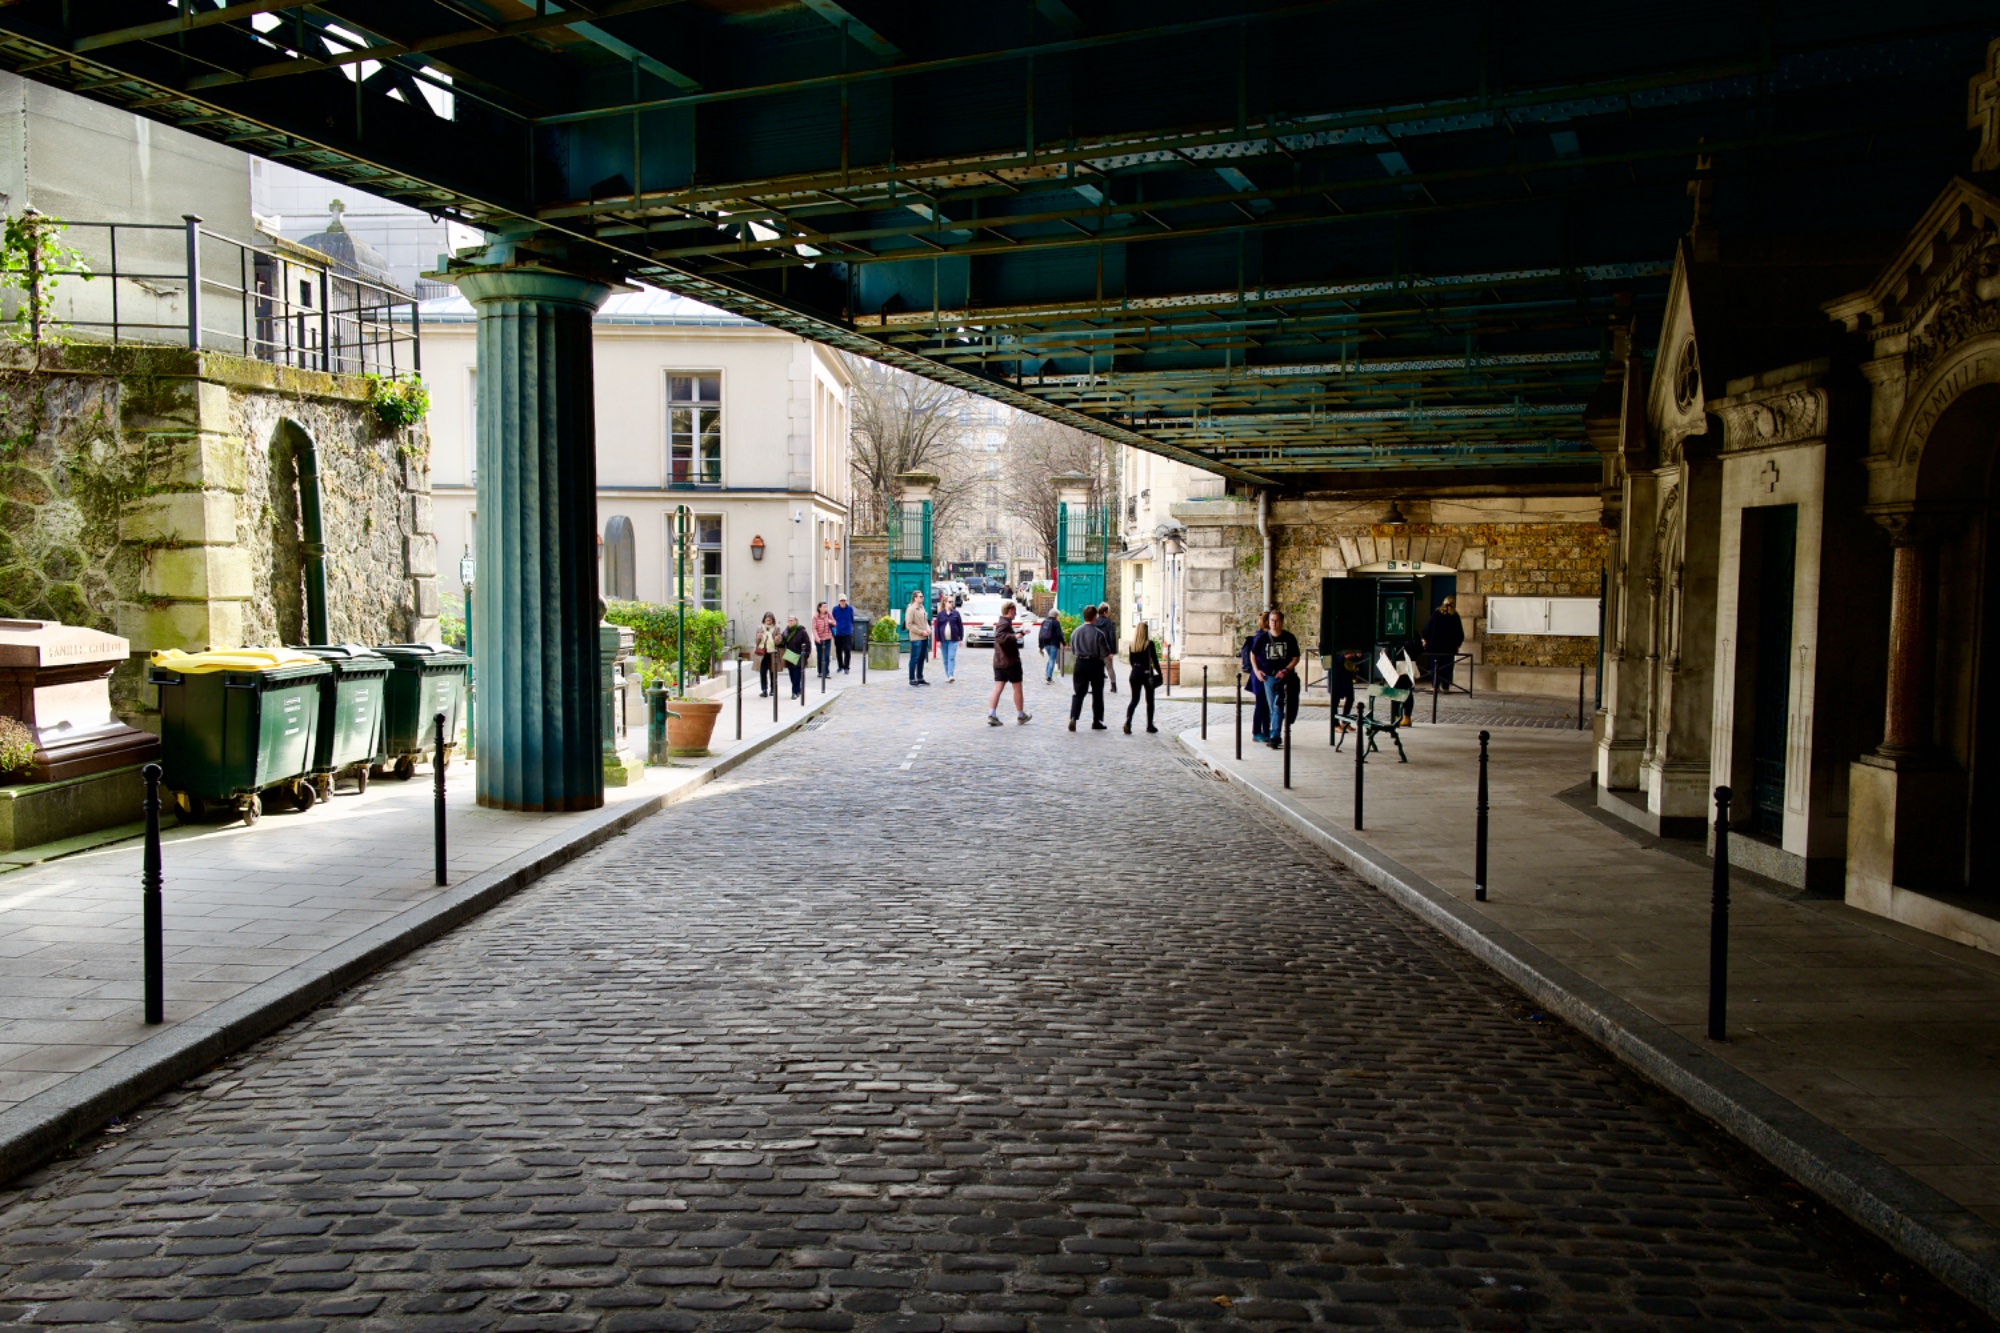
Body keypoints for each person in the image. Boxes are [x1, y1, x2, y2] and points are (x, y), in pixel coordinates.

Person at [1253, 609, 1302, 750]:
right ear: (1268, 622)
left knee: (1278, 704)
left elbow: (1296, 657)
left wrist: (1286, 669)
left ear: (1281, 622)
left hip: (1285, 677)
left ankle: (1275, 735)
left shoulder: (1289, 638)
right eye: (1272, 620)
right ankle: (1275, 733)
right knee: (1274, 706)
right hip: (1269, 677)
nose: (1274, 623)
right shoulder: (1263, 638)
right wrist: (1257, 671)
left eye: (1276, 620)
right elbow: (1253, 654)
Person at [986, 601, 1032, 726]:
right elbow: (1000, 637)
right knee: (1017, 688)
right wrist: (1015, 636)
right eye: (1014, 611)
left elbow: (1005, 635)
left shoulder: (1003, 623)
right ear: (1010, 610)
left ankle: (992, 714)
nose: (1015, 613)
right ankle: (1020, 715)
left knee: (998, 688)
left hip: (999, 662)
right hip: (1010, 662)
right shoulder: (1004, 623)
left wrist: (1020, 633)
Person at [1067, 605, 1111, 731]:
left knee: (1079, 692)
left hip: (1080, 663)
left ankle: (1074, 717)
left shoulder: (1076, 632)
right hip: (1095, 663)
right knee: (1097, 693)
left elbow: (1073, 650)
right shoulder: (1098, 633)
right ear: (1094, 617)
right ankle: (1097, 720)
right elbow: (1105, 652)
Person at [1122, 621, 1162, 734]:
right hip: (1147, 674)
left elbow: (1131, 661)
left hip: (1135, 673)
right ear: (1145, 631)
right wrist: (1160, 674)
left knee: (1134, 700)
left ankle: (1128, 721)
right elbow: (1155, 661)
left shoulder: (1132, 645)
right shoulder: (1149, 644)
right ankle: (1149, 725)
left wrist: (1136, 669)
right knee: (1150, 700)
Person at [1421, 597, 1466, 693]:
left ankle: (1435, 685)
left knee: (1435, 666)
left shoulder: (1437, 614)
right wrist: (1457, 644)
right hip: (1449, 648)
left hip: (1435, 647)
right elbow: (1459, 633)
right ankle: (1445, 686)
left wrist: (1426, 638)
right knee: (1447, 667)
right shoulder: (1455, 616)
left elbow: (1427, 628)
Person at [1242, 611, 1271, 742]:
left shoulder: (1262, 635)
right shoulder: (1261, 638)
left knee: (1265, 704)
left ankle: (1265, 730)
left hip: (1260, 674)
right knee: (1261, 704)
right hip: (1260, 675)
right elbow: (1257, 657)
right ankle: (1257, 732)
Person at [933, 595, 964, 683]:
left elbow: (960, 626)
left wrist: (961, 638)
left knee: (951, 657)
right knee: (945, 659)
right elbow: (937, 628)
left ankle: (951, 675)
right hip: (943, 640)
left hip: (953, 639)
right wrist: (938, 640)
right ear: (945, 603)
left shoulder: (956, 613)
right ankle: (948, 675)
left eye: (952, 602)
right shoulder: (940, 614)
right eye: (949, 602)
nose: (951, 603)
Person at [781, 614, 812, 701]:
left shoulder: (801, 631)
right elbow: (782, 642)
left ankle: (794, 692)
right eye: (789, 620)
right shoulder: (786, 631)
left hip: (799, 656)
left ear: (796, 621)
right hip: (790, 656)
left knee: (796, 675)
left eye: (792, 620)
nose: (790, 622)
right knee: (792, 675)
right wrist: (778, 640)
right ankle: (797, 689)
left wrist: (806, 654)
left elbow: (807, 643)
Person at [905, 591, 932, 686]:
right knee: (914, 658)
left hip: (924, 637)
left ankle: (920, 677)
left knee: (921, 658)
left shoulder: (922, 607)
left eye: (922, 596)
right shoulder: (911, 609)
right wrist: (921, 632)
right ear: (915, 598)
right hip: (916, 637)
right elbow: (909, 625)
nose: (922, 598)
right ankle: (912, 678)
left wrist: (928, 628)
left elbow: (925, 621)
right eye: (920, 596)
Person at [754, 612, 780, 698]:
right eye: (767, 618)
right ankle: (764, 690)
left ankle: (773, 689)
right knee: (763, 671)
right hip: (763, 652)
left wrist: (777, 639)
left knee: (773, 671)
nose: (768, 620)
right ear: (764, 619)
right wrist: (758, 637)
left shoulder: (776, 628)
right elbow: (757, 642)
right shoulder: (760, 628)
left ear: (772, 620)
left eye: (770, 619)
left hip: (772, 652)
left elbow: (779, 642)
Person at [1098, 602, 1119, 694]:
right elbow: (1112, 637)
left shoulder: (1095, 621)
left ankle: (1096, 686)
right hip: (1107, 649)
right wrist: (1113, 651)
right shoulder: (1109, 622)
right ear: (1105, 612)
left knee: (1097, 668)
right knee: (1110, 668)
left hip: (1097, 649)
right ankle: (1113, 686)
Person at [1038, 612, 1065, 682]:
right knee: (1052, 660)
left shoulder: (1044, 622)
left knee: (1050, 659)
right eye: (1058, 616)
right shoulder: (1056, 623)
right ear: (1055, 615)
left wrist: (1040, 646)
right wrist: (1064, 643)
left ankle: (1047, 673)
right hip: (1054, 644)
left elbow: (1040, 634)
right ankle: (1049, 677)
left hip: (1046, 644)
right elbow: (1059, 635)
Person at [811, 601, 834, 681]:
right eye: (824, 607)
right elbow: (814, 628)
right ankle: (820, 671)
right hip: (819, 639)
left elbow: (835, 623)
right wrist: (817, 637)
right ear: (819, 608)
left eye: (826, 607)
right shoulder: (815, 617)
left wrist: (830, 621)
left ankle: (826, 672)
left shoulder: (829, 615)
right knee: (820, 655)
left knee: (827, 655)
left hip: (827, 638)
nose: (825, 608)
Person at [831, 596, 855, 673]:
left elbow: (852, 619)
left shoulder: (850, 609)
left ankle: (846, 667)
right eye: (841, 600)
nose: (843, 602)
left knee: (847, 649)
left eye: (844, 600)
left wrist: (849, 626)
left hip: (847, 632)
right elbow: (832, 619)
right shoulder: (835, 609)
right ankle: (840, 666)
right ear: (839, 601)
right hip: (838, 632)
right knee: (838, 650)